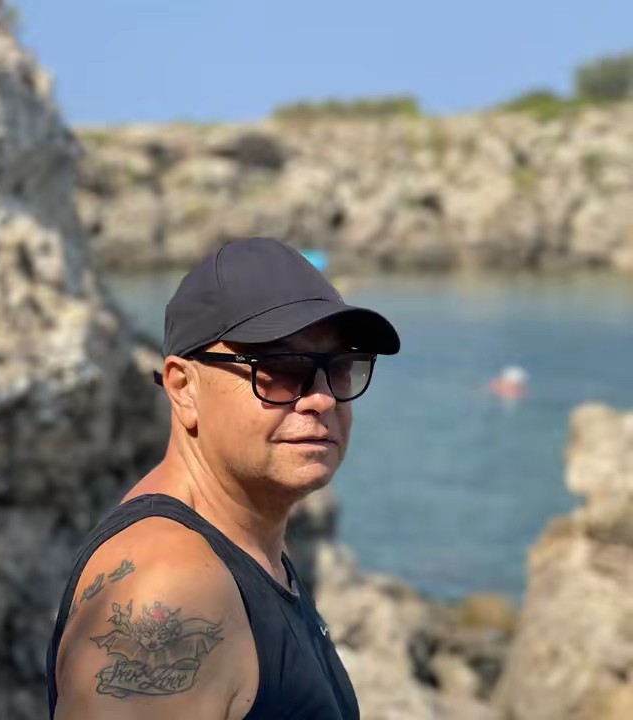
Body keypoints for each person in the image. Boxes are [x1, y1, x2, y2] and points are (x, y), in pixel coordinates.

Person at [46, 236, 400, 719]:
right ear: (183, 388)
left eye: (339, 368)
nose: (322, 398)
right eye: (279, 368)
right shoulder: (172, 586)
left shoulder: (246, 550)